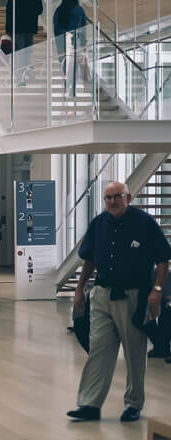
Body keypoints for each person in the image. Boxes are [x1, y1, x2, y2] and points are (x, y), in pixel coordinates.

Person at [67, 181, 171, 423]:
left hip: (133, 295)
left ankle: (133, 404)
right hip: (102, 293)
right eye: (108, 198)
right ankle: (89, 404)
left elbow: (163, 259)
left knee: (134, 352)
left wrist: (157, 290)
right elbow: (89, 259)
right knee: (98, 349)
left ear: (128, 197)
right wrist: (80, 288)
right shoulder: (98, 224)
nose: (112, 202)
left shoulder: (144, 223)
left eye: (117, 196)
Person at [4, 0, 44, 82]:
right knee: (27, 52)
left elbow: (9, 10)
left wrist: (7, 29)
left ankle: (20, 77)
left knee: (18, 52)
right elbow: (40, 10)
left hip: (16, 28)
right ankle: (27, 72)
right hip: (30, 28)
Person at [53, 0, 89, 96]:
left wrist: (58, 42)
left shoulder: (59, 10)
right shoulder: (79, 10)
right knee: (73, 66)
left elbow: (56, 28)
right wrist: (83, 43)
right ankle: (72, 90)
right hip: (75, 41)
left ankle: (65, 87)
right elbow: (83, 28)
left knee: (64, 64)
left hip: (61, 41)